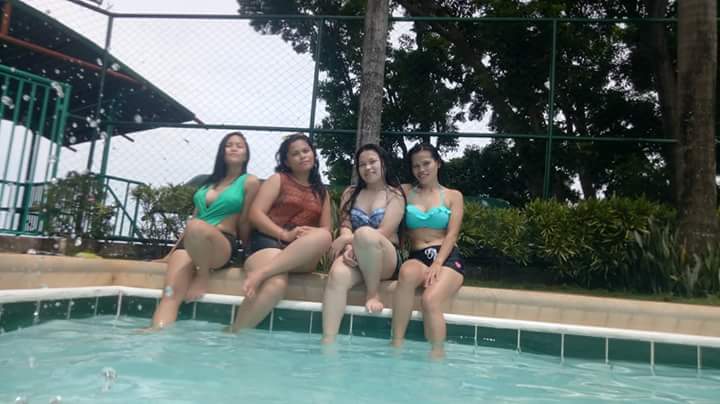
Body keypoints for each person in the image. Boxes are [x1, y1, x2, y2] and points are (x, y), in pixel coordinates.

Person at [150, 132, 260, 329]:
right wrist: (170, 254)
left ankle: (203, 276)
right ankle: (156, 329)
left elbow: (245, 220)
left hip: (220, 244)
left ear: (246, 154)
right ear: (222, 152)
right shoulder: (207, 183)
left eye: (239, 146)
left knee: (197, 227)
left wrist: (247, 252)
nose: (234, 148)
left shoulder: (249, 182)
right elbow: (193, 219)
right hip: (192, 241)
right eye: (229, 145)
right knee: (170, 293)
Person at [229, 133, 332, 332]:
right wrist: (285, 235)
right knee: (276, 284)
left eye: (306, 151)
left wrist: (309, 232)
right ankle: (235, 333)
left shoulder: (321, 191)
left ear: (314, 154)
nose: (302, 156)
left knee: (324, 236)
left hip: (300, 254)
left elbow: (326, 229)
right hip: (268, 244)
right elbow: (255, 214)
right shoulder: (278, 180)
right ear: (286, 161)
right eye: (295, 154)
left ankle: (262, 273)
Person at [321, 144, 405, 344]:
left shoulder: (395, 195)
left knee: (366, 234)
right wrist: (349, 247)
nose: (367, 167)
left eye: (372, 162)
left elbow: (384, 232)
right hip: (357, 256)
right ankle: (328, 340)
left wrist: (348, 240)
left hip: (386, 258)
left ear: (383, 163)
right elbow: (346, 226)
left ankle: (372, 295)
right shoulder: (350, 193)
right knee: (337, 275)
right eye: (362, 164)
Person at [391, 143, 465, 358]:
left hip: (447, 257)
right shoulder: (405, 192)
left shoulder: (453, 196)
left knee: (430, 300)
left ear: (438, 163)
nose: (421, 170)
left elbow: (452, 235)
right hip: (418, 256)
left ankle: (437, 354)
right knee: (406, 273)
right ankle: (396, 343)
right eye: (416, 166)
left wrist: (438, 263)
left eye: (426, 163)